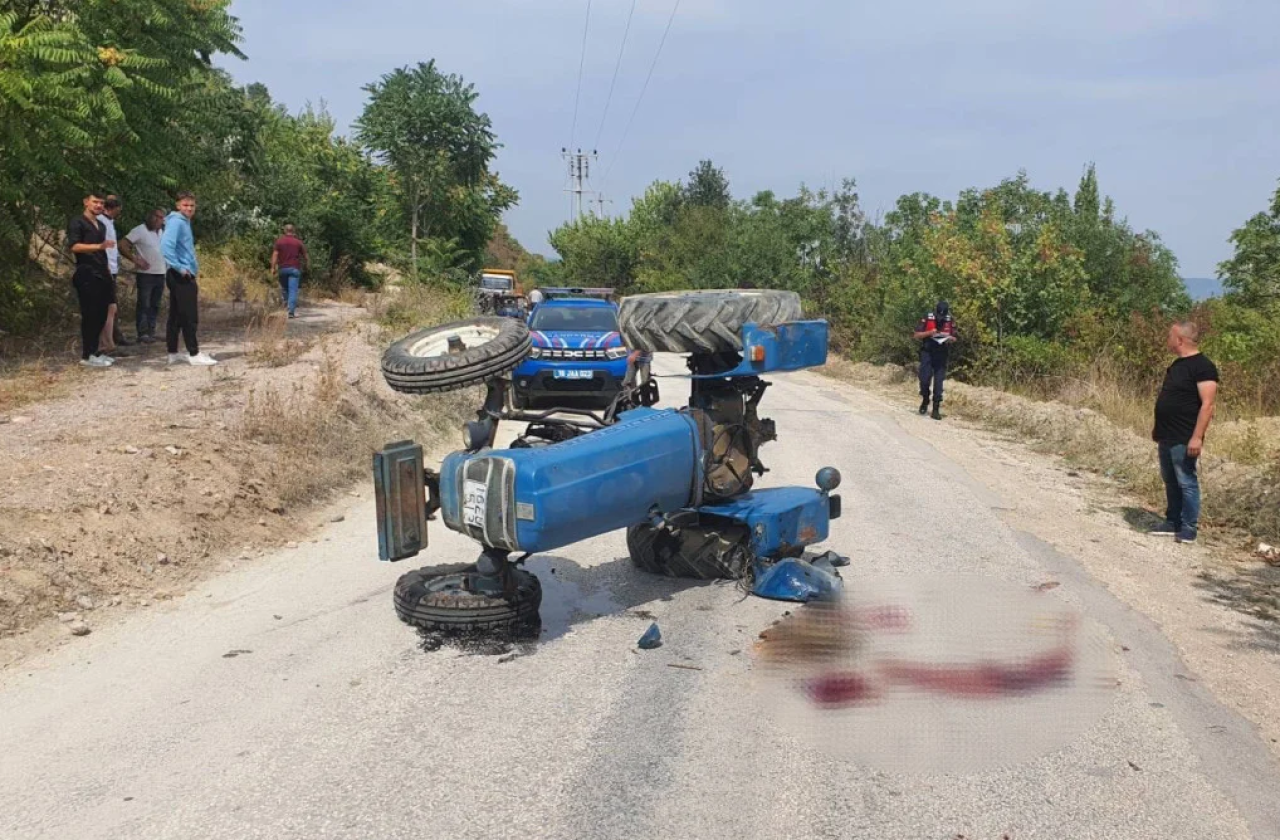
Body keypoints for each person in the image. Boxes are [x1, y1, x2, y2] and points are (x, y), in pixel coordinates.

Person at [1149, 321, 1218, 544]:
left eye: (1170, 336)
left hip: (1185, 435)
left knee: (1186, 480)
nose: (1167, 339)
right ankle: (1172, 521)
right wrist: (1158, 428)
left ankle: (1189, 527)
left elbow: (1207, 405)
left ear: (1180, 340)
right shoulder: (1177, 365)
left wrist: (1197, 437)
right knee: (1170, 479)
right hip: (1166, 434)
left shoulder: (1203, 366)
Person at [160, 191, 217, 366]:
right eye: (185, 205)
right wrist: (180, 268)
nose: (189, 208)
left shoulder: (183, 222)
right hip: (180, 274)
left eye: (192, 205)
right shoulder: (177, 222)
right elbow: (165, 246)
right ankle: (194, 353)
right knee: (189, 315)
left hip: (180, 272)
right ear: (178, 205)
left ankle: (173, 352)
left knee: (176, 315)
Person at [66, 191, 116, 368]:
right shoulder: (77, 222)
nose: (98, 206)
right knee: (90, 315)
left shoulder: (101, 226)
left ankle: (96, 352)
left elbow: (102, 252)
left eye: (101, 203)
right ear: (86, 202)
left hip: (102, 274)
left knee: (102, 313)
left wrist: (108, 269)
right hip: (86, 273)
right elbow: (74, 246)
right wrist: (98, 246)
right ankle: (86, 355)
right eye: (95, 202)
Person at [96, 195, 134, 351]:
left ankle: (110, 340)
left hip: (111, 268)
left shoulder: (108, 223)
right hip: (105, 268)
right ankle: (105, 343)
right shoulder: (101, 222)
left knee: (111, 307)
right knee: (108, 307)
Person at [125, 208, 167, 343]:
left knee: (155, 304)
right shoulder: (140, 230)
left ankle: (151, 332)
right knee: (144, 304)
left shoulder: (161, 232)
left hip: (160, 273)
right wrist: (135, 260)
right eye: (156, 216)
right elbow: (122, 245)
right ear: (149, 216)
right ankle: (142, 333)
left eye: (161, 218)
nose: (158, 220)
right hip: (146, 274)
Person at [913, 300, 957, 420]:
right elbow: (916, 335)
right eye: (939, 316)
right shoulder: (928, 317)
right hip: (927, 352)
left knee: (939, 382)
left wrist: (949, 338)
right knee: (924, 379)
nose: (940, 319)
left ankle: (936, 408)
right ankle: (925, 398)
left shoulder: (949, 320)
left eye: (942, 316)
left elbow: (954, 337)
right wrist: (929, 333)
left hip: (941, 353)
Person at [270, 224, 309, 319]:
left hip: (283, 269)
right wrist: (307, 265)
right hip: (294, 269)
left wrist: (272, 267)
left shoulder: (279, 241)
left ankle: (288, 305)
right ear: (293, 230)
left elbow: (275, 254)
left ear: (284, 231)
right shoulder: (298, 242)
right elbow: (305, 255)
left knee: (284, 289)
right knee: (293, 291)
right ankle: (291, 311)